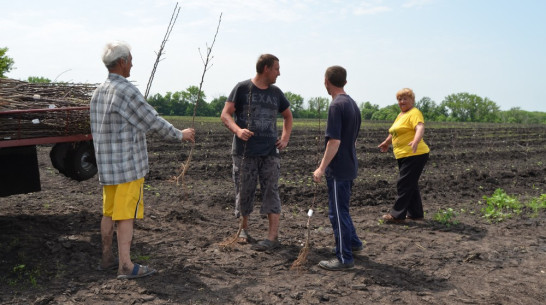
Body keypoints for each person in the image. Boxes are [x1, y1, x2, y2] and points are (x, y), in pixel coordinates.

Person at [90, 41, 195, 279]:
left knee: (108, 213)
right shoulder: (126, 90)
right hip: (127, 166)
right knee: (125, 215)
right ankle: (125, 266)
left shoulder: (98, 92)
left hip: (107, 166)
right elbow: (152, 120)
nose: (132, 64)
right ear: (122, 62)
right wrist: (180, 134)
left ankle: (107, 258)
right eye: (130, 59)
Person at [220, 54, 293, 251]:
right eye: (277, 68)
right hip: (244, 152)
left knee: (272, 190)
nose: (279, 72)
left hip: (270, 152)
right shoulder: (242, 88)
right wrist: (238, 130)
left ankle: (272, 236)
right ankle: (243, 229)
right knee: (244, 190)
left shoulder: (276, 93)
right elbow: (225, 114)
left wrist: (285, 138)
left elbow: (288, 116)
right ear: (266, 68)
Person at [313, 66, 363, 271]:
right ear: (345, 81)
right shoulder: (352, 103)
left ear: (326, 81)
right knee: (342, 210)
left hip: (339, 169)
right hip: (350, 164)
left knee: (336, 213)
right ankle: (354, 243)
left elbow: (334, 141)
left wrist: (321, 168)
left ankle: (344, 257)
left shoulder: (336, 105)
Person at [378, 88, 430, 223]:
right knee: (410, 184)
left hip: (415, 153)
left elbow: (419, 127)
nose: (402, 102)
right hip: (403, 155)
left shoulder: (414, 113)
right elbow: (394, 132)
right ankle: (416, 214)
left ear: (412, 100)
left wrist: (416, 140)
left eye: (405, 99)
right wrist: (386, 142)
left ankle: (397, 215)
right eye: (399, 99)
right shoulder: (401, 115)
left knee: (404, 184)